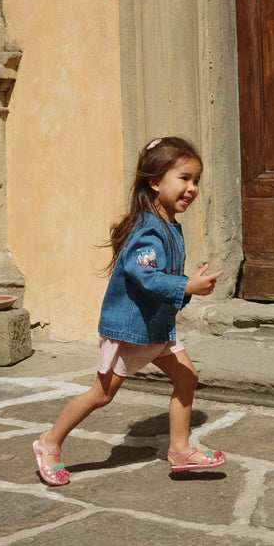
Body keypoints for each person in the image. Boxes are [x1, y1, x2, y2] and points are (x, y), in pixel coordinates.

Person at [32, 136, 226, 486]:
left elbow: (158, 280)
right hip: (129, 329)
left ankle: (180, 450)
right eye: (184, 178)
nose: (192, 188)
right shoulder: (149, 230)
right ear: (154, 181)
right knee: (101, 395)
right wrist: (186, 286)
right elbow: (146, 276)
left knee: (186, 377)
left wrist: (186, 287)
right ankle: (48, 443)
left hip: (155, 328)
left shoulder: (168, 225)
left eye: (196, 180)